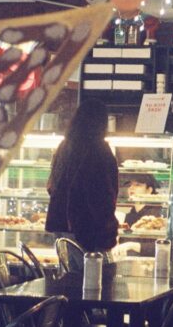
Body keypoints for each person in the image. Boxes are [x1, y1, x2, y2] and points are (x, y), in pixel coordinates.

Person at [45, 98, 119, 256]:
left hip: (61, 225)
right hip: (86, 228)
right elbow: (101, 194)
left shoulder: (64, 146)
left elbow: (51, 186)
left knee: (71, 276)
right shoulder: (99, 150)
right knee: (95, 277)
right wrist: (109, 227)